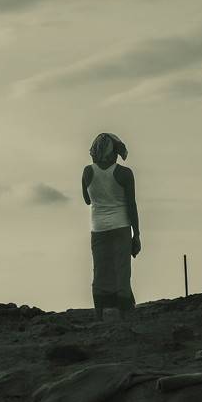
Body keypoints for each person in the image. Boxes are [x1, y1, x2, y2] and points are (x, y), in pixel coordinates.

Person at [82, 132, 141, 322]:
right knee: (121, 270)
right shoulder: (125, 173)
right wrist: (136, 234)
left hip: (98, 227)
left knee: (100, 269)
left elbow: (87, 199)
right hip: (121, 226)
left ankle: (99, 314)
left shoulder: (87, 172)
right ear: (115, 152)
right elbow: (131, 204)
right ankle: (124, 313)